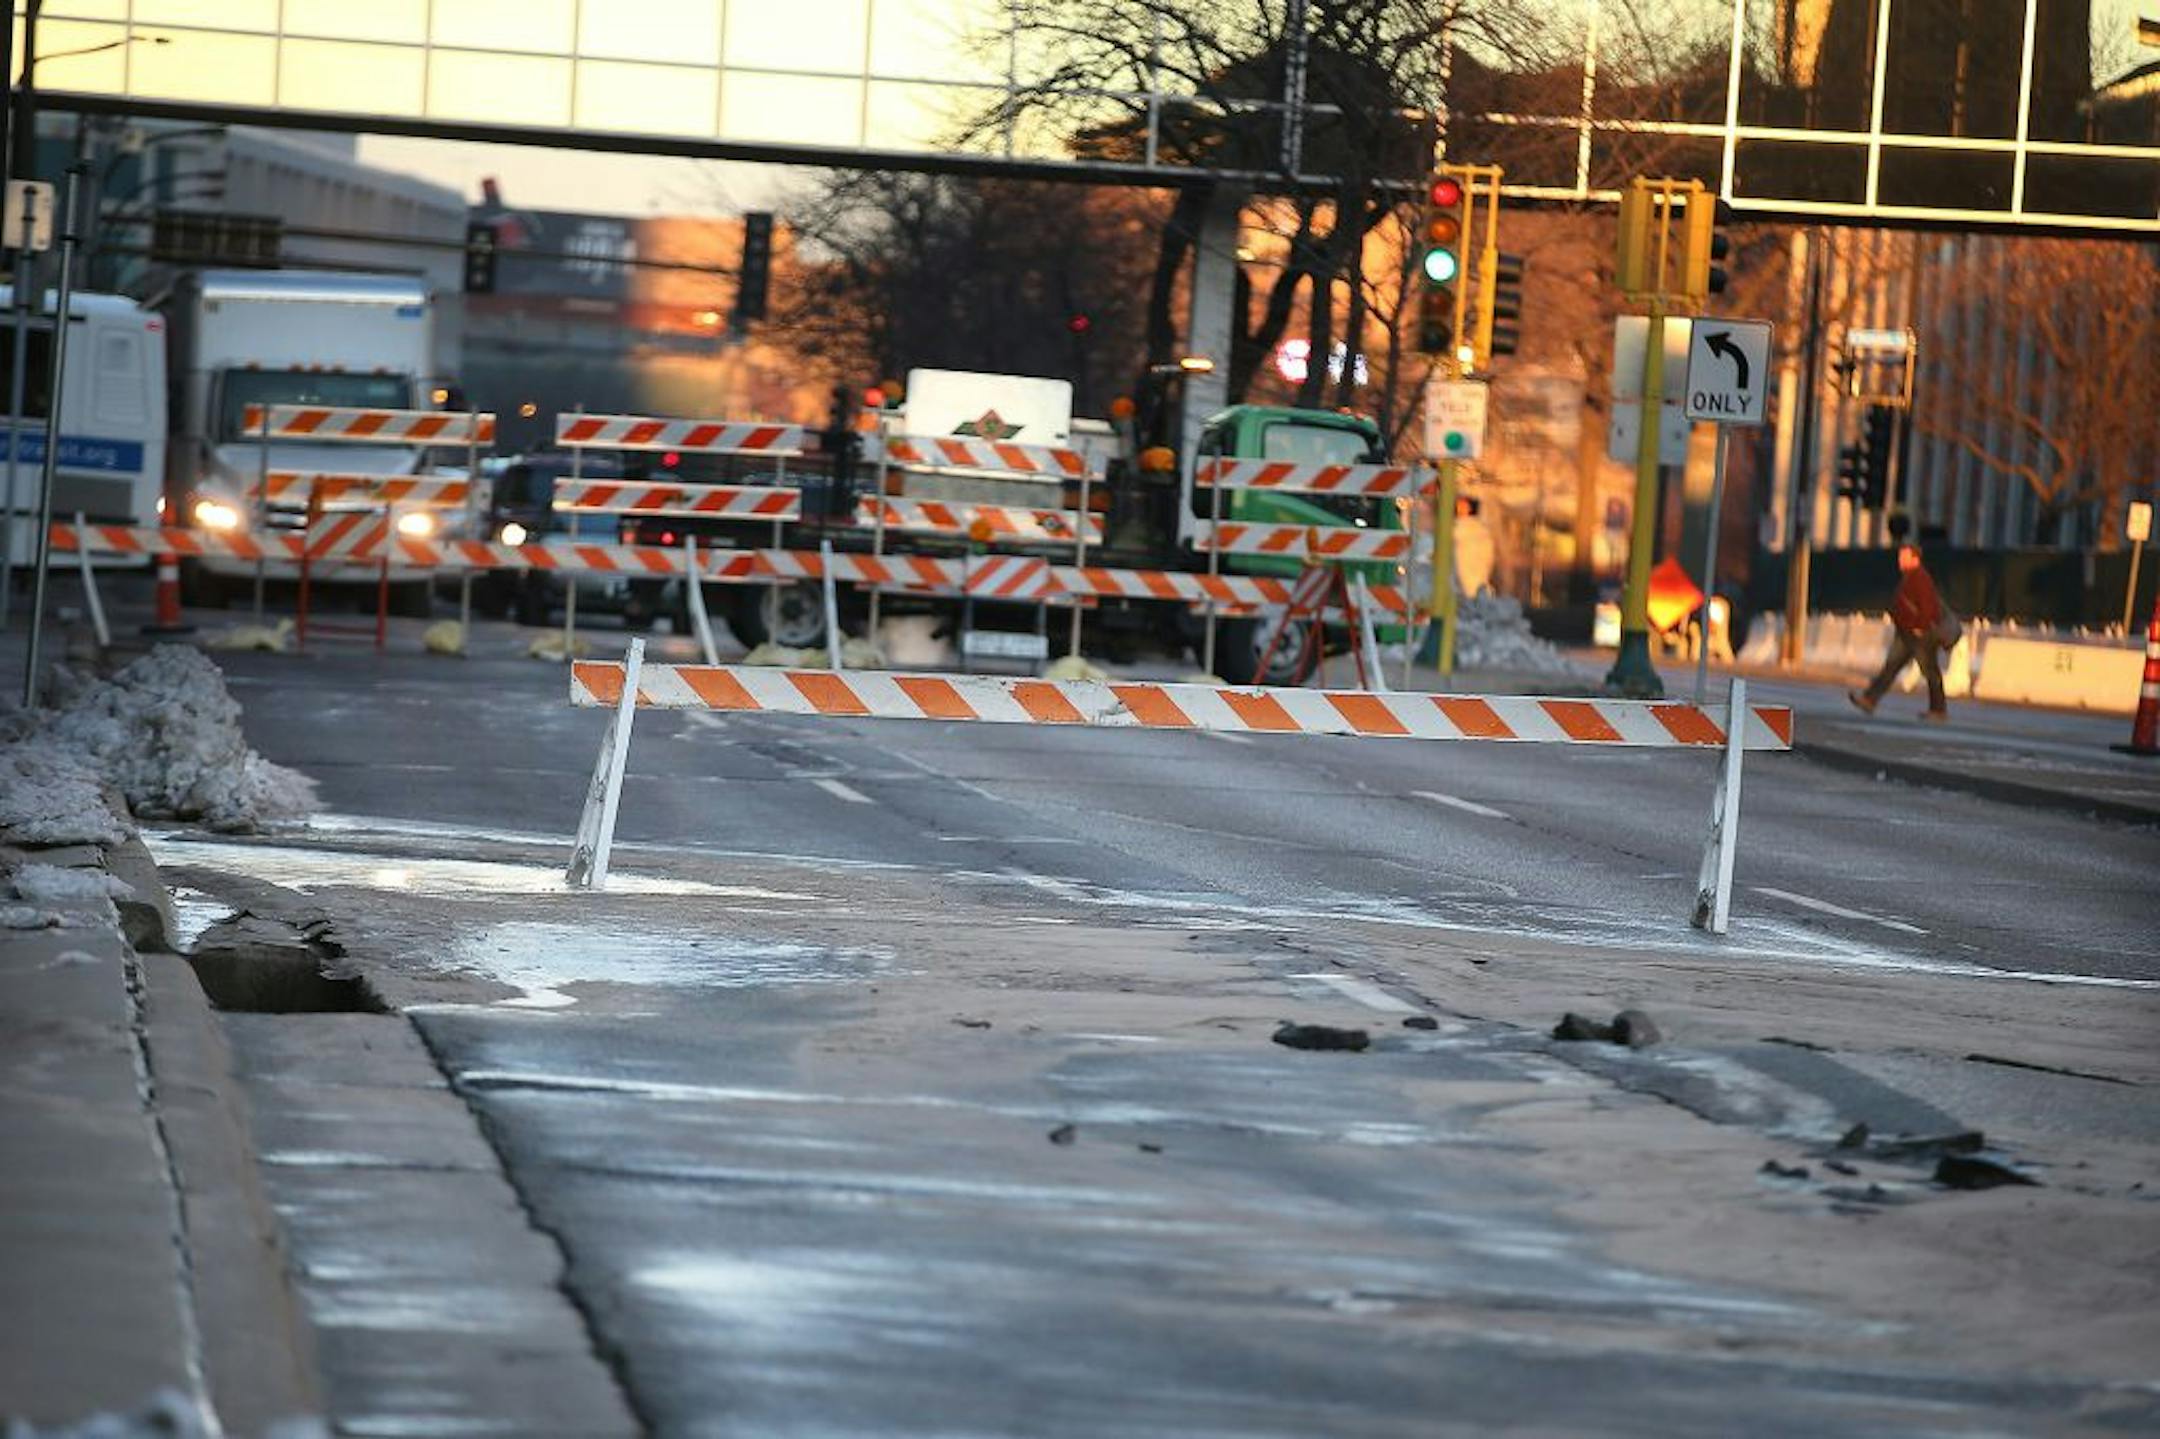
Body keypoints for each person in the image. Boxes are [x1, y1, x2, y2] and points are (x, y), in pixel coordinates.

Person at [1849, 543, 1948, 721]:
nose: (1900, 560)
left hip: (1919, 635)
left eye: (1904, 556)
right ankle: (1869, 699)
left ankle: (1939, 710)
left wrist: (1920, 626)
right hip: (1907, 633)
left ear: (1914, 558)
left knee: (1930, 671)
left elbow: (1928, 606)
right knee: (1891, 667)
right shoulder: (1910, 577)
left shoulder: (1920, 578)